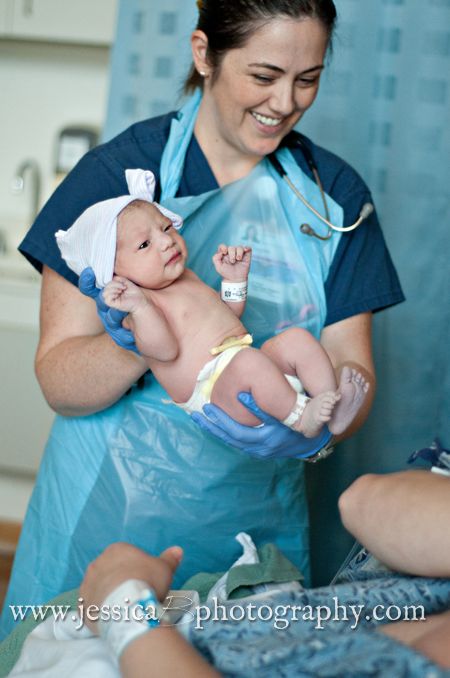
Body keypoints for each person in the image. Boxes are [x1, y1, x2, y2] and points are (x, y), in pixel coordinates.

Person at [0, 0, 405, 640]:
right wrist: (155, 338)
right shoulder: (116, 187)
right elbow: (58, 378)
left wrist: (321, 424)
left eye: (308, 78)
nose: (286, 102)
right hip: (110, 520)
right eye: (264, 75)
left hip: (254, 532)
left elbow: (352, 363)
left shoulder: (336, 199)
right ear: (203, 54)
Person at [56, 175, 369, 438]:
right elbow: (164, 351)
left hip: (243, 363)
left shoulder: (185, 279)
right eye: (144, 244)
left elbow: (228, 318)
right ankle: (302, 419)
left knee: (296, 340)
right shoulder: (140, 306)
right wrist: (139, 309)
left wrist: (234, 281)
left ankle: (332, 404)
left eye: (165, 228)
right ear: (113, 274)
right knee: (250, 364)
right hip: (212, 391)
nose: (165, 241)